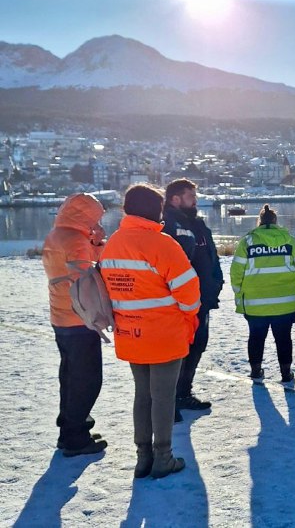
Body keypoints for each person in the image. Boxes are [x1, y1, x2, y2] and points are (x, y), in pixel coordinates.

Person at [100, 184, 200, 479]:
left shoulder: (114, 243)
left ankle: (142, 458)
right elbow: (190, 295)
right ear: (155, 211)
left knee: (142, 395)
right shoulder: (163, 244)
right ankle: (163, 457)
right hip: (164, 334)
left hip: (130, 333)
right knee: (163, 397)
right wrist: (188, 318)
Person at [42, 193, 108, 456]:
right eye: (96, 217)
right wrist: (99, 242)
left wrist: (93, 239)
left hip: (60, 315)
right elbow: (90, 275)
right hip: (79, 317)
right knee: (87, 380)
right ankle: (75, 437)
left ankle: (71, 428)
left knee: (69, 376)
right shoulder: (76, 240)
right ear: (87, 216)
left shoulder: (56, 235)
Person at [163, 178, 224, 422]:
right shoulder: (168, 224)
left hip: (202, 300)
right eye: (190, 196)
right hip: (179, 303)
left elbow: (210, 255)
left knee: (197, 346)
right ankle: (169, 400)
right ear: (175, 199)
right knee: (177, 351)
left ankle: (184, 394)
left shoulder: (197, 224)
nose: (195, 201)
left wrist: (216, 283)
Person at [230, 204, 295, 384]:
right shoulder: (287, 239)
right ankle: (286, 374)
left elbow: (236, 271)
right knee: (284, 338)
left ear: (259, 221)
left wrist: (239, 292)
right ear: (275, 221)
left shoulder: (248, 241)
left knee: (256, 337)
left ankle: (256, 372)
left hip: (255, 303)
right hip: (285, 302)